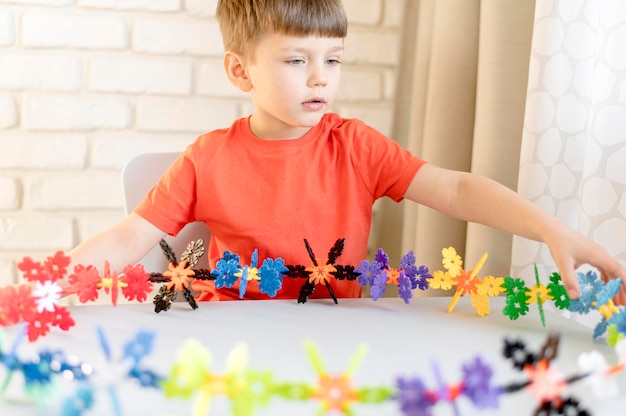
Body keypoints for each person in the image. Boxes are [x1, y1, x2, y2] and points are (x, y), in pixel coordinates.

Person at [68, 0, 626, 305]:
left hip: (343, 329)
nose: (320, 77)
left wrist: (551, 228)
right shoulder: (206, 158)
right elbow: (126, 238)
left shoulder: (355, 145)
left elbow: (455, 188)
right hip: (234, 339)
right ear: (241, 70)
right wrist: (47, 287)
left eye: (332, 59)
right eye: (295, 61)